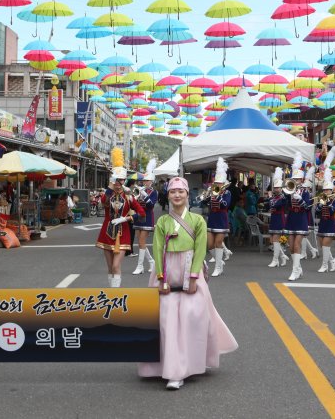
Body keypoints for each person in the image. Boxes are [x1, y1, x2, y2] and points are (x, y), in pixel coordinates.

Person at [138, 176, 238, 390]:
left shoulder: (197, 220)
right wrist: (161, 279)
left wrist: (193, 277)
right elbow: (157, 249)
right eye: (173, 191)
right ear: (169, 195)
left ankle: (189, 363)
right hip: (165, 270)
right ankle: (170, 369)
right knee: (164, 319)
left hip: (190, 269)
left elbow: (201, 250)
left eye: (181, 191)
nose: (177, 195)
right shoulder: (163, 221)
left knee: (194, 317)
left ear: (186, 195)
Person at [96, 148, 145, 288]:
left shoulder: (129, 196)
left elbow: (142, 213)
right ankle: (112, 294)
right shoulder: (108, 194)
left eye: (121, 180)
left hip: (122, 234)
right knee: (110, 267)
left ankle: (116, 294)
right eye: (116, 180)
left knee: (116, 266)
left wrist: (126, 219)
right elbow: (103, 203)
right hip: (106, 233)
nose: (118, 182)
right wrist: (110, 186)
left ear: (124, 180)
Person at [201, 157, 233, 277]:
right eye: (216, 183)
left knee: (218, 242)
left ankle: (218, 267)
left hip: (222, 219)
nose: (217, 184)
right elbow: (204, 203)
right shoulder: (213, 191)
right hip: (212, 218)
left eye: (219, 183)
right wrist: (206, 196)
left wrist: (218, 196)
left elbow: (226, 204)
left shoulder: (227, 193)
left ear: (223, 183)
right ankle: (220, 262)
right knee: (209, 245)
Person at [284, 162, 310, 281]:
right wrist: (288, 196)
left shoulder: (305, 191)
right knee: (291, 247)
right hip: (291, 218)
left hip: (301, 219)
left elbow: (308, 207)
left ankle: (294, 271)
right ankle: (298, 268)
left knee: (296, 245)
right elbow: (288, 206)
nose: (295, 181)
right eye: (294, 179)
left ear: (301, 179)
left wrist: (300, 200)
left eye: (297, 179)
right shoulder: (290, 190)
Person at [132, 160, 159, 275]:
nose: (144, 182)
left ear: (151, 181)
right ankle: (151, 261)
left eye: (147, 180)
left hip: (147, 217)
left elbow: (151, 205)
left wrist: (145, 196)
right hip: (139, 217)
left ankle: (140, 266)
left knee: (142, 241)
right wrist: (136, 197)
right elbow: (135, 205)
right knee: (140, 242)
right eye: (144, 181)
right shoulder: (140, 190)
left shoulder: (154, 192)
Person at [315, 172, 335, 273]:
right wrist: (320, 205)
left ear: (331, 190)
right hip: (322, 224)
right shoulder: (321, 199)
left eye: (328, 190)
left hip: (330, 224)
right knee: (323, 246)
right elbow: (317, 212)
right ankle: (332, 262)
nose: (326, 191)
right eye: (324, 190)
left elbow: (333, 210)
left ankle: (325, 266)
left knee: (325, 244)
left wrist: (328, 203)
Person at [266, 168, 289, 268]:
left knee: (275, 239)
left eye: (278, 187)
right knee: (272, 240)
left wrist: (270, 198)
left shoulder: (283, 197)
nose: (276, 189)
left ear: (281, 188)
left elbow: (276, 205)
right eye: (275, 187)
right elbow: (269, 206)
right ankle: (282, 256)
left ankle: (275, 260)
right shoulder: (274, 197)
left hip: (279, 218)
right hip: (274, 218)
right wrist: (270, 200)